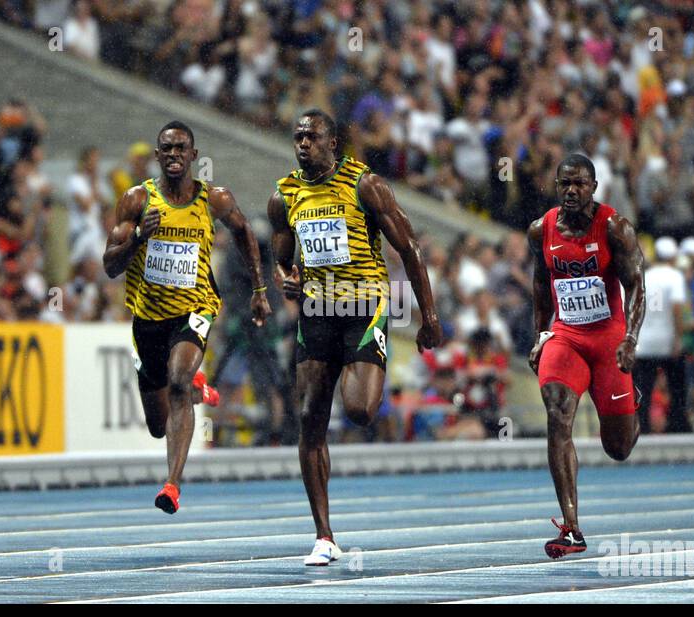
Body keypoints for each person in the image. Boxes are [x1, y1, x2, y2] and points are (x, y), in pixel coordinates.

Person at [270, 109, 442, 566]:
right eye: (297, 137)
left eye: (312, 137)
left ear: (333, 143)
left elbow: (409, 249)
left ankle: (356, 362)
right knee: (309, 417)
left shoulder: (365, 184)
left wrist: (429, 315)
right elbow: (282, 259)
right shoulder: (284, 195)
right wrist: (287, 279)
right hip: (317, 309)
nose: (303, 144)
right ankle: (323, 535)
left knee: (362, 411)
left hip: (363, 305)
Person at [103, 121, 270, 514]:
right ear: (157, 157)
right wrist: (139, 239)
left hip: (195, 309)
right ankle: (194, 385)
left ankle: (172, 486)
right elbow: (110, 266)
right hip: (148, 318)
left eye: (182, 148)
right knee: (158, 424)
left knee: (177, 381)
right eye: (167, 148)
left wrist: (260, 289)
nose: (174, 154)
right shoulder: (136, 201)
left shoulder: (214, 199)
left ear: (194, 156)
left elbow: (246, 233)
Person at [528, 154, 645, 559]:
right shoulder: (541, 229)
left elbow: (637, 287)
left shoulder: (616, 228)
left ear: (594, 188)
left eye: (579, 184)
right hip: (567, 338)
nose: (571, 191)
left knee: (619, 447)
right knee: (558, 413)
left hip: (609, 338)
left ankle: (633, 402)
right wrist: (541, 335)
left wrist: (630, 338)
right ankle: (572, 528)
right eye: (564, 184)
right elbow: (541, 288)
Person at [634, 236, 688, 433]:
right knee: (677, 390)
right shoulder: (675, 277)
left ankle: (643, 430)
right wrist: (678, 339)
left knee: (643, 391)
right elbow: (676, 309)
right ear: (673, 257)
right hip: (666, 342)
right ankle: (677, 427)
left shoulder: (645, 275)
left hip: (645, 343)